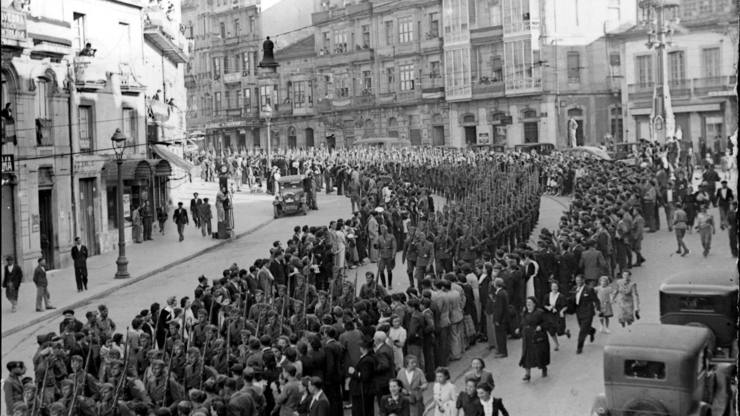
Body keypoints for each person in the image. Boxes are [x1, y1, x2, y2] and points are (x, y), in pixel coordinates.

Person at [516, 297, 549, 381]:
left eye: (530, 302)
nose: (528, 304)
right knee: (526, 355)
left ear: (534, 303)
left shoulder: (540, 313)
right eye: (527, 302)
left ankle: (543, 368)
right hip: (527, 337)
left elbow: (546, 322)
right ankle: (527, 374)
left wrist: (540, 327)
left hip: (537, 337)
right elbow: (522, 322)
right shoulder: (524, 313)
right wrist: (519, 329)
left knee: (539, 354)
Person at [570, 274, 599, 354]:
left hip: (588, 312)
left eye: (579, 280)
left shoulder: (589, 289)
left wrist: (599, 309)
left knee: (582, 331)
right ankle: (592, 331)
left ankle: (579, 348)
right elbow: (572, 299)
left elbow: (596, 300)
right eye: (576, 281)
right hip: (579, 312)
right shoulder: (574, 288)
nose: (578, 282)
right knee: (583, 327)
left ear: (583, 280)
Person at [349, 340, 376, 416]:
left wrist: (353, 372)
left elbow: (365, 376)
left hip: (363, 390)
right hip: (363, 390)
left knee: (361, 411)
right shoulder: (368, 358)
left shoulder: (367, 360)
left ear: (364, 348)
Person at [542, 281, 570, 351]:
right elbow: (544, 304)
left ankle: (565, 332)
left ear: (558, 287)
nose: (554, 288)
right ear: (551, 287)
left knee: (559, 331)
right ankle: (556, 344)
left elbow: (566, 306)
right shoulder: (547, 296)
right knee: (551, 330)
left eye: (555, 286)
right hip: (550, 315)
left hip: (558, 315)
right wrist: (548, 307)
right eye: (553, 286)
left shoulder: (561, 296)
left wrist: (562, 311)